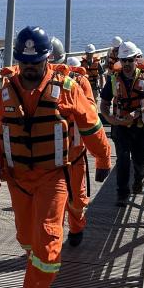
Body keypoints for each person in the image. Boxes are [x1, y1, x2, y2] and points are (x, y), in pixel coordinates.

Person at [0, 26, 112, 288]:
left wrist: (103, 158)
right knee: (26, 239)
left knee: (46, 239)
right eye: (24, 61)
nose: (29, 67)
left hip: (53, 177)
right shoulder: (3, 93)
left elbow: (92, 125)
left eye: (35, 61)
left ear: (46, 59)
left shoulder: (68, 88)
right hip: (17, 179)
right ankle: (41, 277)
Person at [99, 41, 144, 202]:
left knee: (140, 161)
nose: (126, 64)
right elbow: (104, 103)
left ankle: (139, 178)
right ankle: (122, 193)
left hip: (140, 127)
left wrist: (138, 112)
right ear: (119, 60)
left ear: (136, 59)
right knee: (123, 158)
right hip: (121, 128)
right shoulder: (113, 79)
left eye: (129, 60)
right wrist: (108, 118)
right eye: (123, 60)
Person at [59, 56, 96, 246]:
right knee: (52, 200)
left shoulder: (81, 84)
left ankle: (76, 229)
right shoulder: (46, 84)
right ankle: (54, 236)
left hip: (75, 152)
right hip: (52, 155)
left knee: (76, 197)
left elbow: (90, 111)